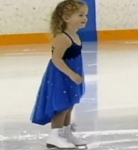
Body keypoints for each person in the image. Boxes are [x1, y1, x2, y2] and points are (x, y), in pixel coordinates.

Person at [31, 0, 88, 149]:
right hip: (61, 76)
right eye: (80, 15)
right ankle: (55, 136)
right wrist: (71, 74)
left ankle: (66, 132)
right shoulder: (63, 38)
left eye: (85, 15)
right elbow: (56, 59)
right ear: (66, 18)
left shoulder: (75, 35)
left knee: (70, 104)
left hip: (71, 74)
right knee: (62, 105)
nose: (84, 18)